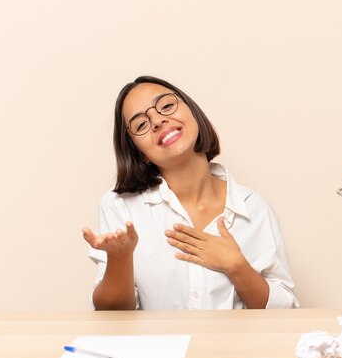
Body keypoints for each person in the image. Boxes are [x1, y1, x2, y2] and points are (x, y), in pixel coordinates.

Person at [82, 76, 298, 310]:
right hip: (160, 348)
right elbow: (111, 315)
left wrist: (236, 266)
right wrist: (120, 258)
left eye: (166, 106)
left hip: (235, 348)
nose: (157, 120)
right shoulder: (119, 207)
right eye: (141, 125)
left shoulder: (254, 208)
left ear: (192, 113)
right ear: (139, 152)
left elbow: (286, 311)